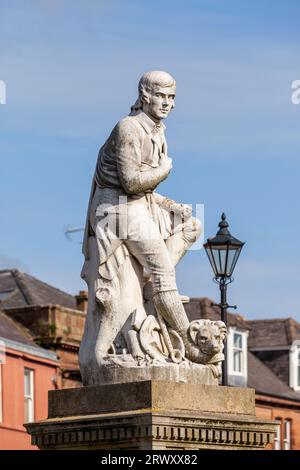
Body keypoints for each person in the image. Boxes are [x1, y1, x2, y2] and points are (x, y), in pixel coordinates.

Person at [81, 71, 202, 366]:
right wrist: (165, 169)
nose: (166, 103)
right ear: (144, 95)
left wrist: (169, 204)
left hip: (139, 203)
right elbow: (132, 182)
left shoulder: (158, 130)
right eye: (160, 95)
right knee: (164, 270)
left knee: (192, 225)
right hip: (116, 208)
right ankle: (188, 339)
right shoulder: (128, 128)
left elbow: (144, 187)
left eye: (171, 97)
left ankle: (152, 284)